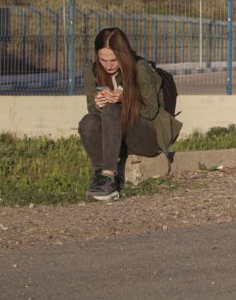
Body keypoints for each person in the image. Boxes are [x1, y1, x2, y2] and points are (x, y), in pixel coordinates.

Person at [78, 27, 182, 202]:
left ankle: (109, 178)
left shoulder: (140, 68)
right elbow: (94, 114)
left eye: (113, 60)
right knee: (87, 121)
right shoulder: (92, 72)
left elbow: (151, 111)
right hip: (117, 137)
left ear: (123, 55)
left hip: (148, 136)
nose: (108, 66)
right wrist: (98, 104)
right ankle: (99, 176)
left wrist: (124, 98)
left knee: (113, 109)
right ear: (97, 55)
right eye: (103, 60)